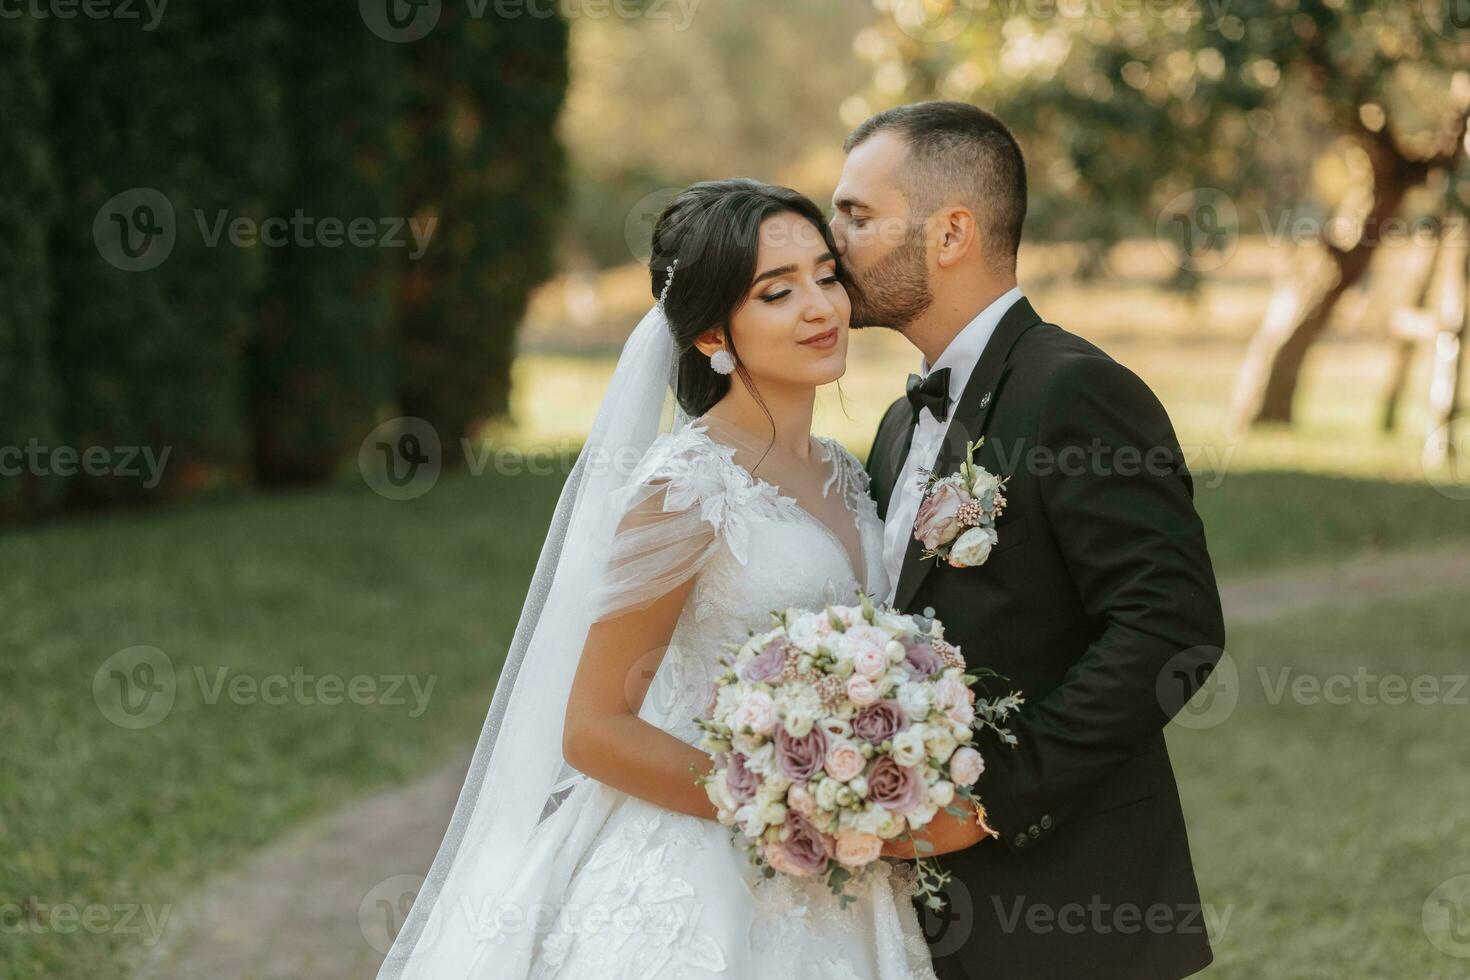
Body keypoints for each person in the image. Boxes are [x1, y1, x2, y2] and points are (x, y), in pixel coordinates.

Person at [376, 178, 937, 979]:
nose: (822, 308)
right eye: (778, 293)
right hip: (703, 869)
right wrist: (782, 802)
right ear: (713, 331)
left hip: (847, 871)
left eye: (825, 276)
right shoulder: (687, 487)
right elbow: (594, 728)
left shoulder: (846, 470)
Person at [834, 100, 1226, 980]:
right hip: (922, 919)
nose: (833, 242)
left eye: (856, 215)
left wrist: (987, 802)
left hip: (1064, 908)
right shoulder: (901, 420)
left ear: (950, 233)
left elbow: (1171, 629)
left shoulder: (1076, 392)